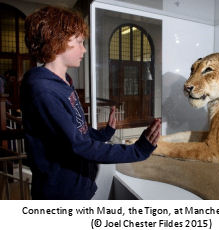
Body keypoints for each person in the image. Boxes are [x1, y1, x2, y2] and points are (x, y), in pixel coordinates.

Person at [21, 6, 161, 200]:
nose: (84, 49)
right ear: (58, 41)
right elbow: (79, 145)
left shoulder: (64, 82)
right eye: (79, 41)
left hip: (77, 187)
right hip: (61, 195)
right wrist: (138, 151)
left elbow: (75, 132)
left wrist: (104, 133)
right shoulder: (43, 90)